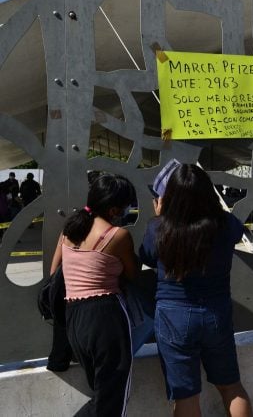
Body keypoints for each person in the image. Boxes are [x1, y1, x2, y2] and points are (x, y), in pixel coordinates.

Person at [139, 161, 253, 417]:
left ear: (169, 197)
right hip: (216, 313)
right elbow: (237, 235)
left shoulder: (158, 227)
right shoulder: (226, 224)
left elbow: (147, 257)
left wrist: (161, 217)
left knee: (187, 397)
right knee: (231, 387)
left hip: (173, 316)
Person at [49, 173, 138, 416]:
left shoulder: (69, 230)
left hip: (74, 319)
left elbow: (54, 271)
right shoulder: (117, 236)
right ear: (113, 208)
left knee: (102, 396)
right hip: (105, 316)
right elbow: (133, 273)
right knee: (113, 401)